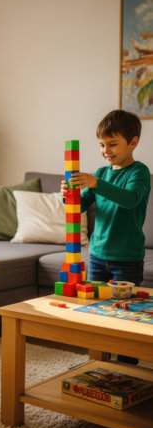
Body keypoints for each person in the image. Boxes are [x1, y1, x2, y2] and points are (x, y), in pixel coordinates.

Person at [61, 109, 151, 364]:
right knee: (96, 312)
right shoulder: (100, 173)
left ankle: (125, 366)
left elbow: (130, 200)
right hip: (98, 256)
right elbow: (77, 207)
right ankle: (97, 363)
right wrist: (68, 193)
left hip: (127, 259)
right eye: (102, 145)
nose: (106, 150)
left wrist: (96, 183)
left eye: (112, 144)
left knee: (125, 317)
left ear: (133, 142)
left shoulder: (139, 173)